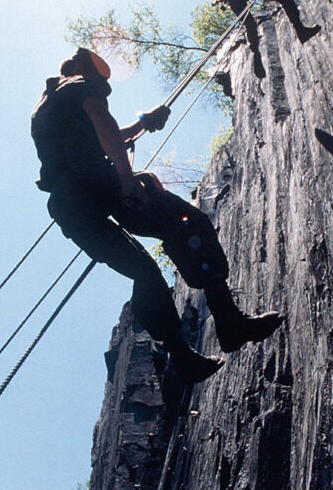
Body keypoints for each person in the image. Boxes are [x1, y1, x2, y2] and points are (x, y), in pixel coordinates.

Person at [31, 47, 283, 383]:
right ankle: (226, 321)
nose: (103, 89)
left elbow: (105, 136)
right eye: (100, 80)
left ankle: (188, 352)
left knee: (145, 273)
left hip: (74, 207)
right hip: (104, 190)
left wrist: (143, 125)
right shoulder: (77, 85)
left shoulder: (49, 105)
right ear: (82, 70)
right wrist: (125, 178)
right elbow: (101, 119)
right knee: (188, 224)